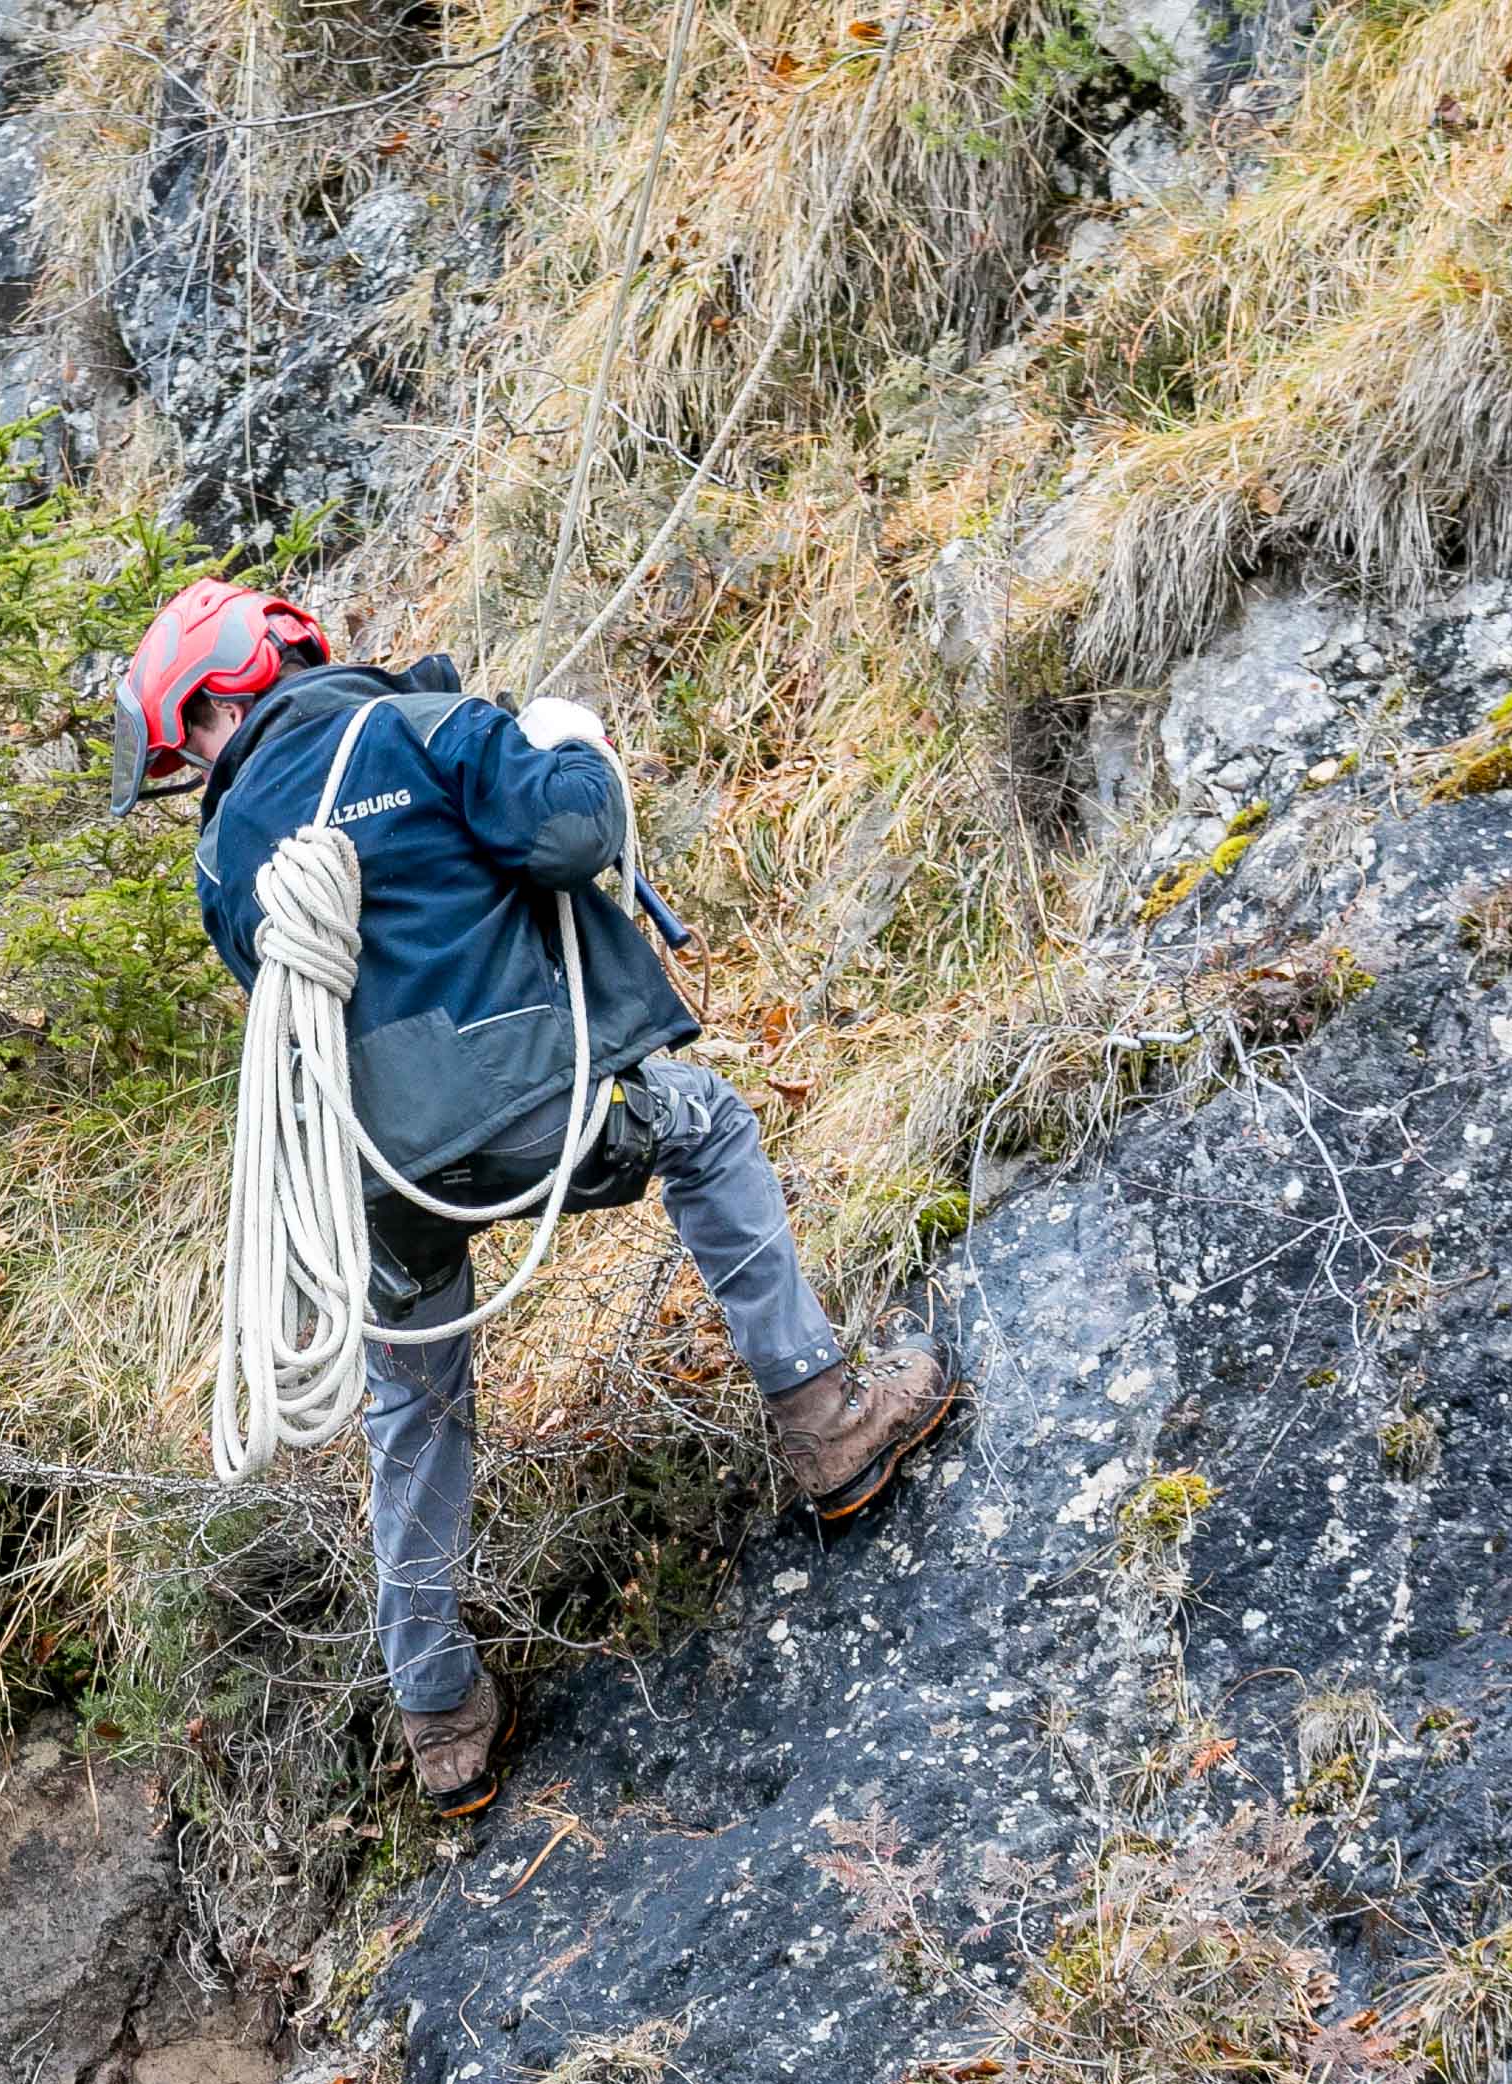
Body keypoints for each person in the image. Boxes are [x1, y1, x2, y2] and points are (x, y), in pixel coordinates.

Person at [112, 579, 962, 1818]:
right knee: (706, 1124)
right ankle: (826, 1420)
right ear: (275, 651)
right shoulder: (422, 729)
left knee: (410, 1400)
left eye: (185, 735)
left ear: (219, 700)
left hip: (376, 1181)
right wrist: (569, 747)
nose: (190, 761)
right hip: (533, 1111)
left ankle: (437, 1712)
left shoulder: (224, 859)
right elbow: (570, 838)